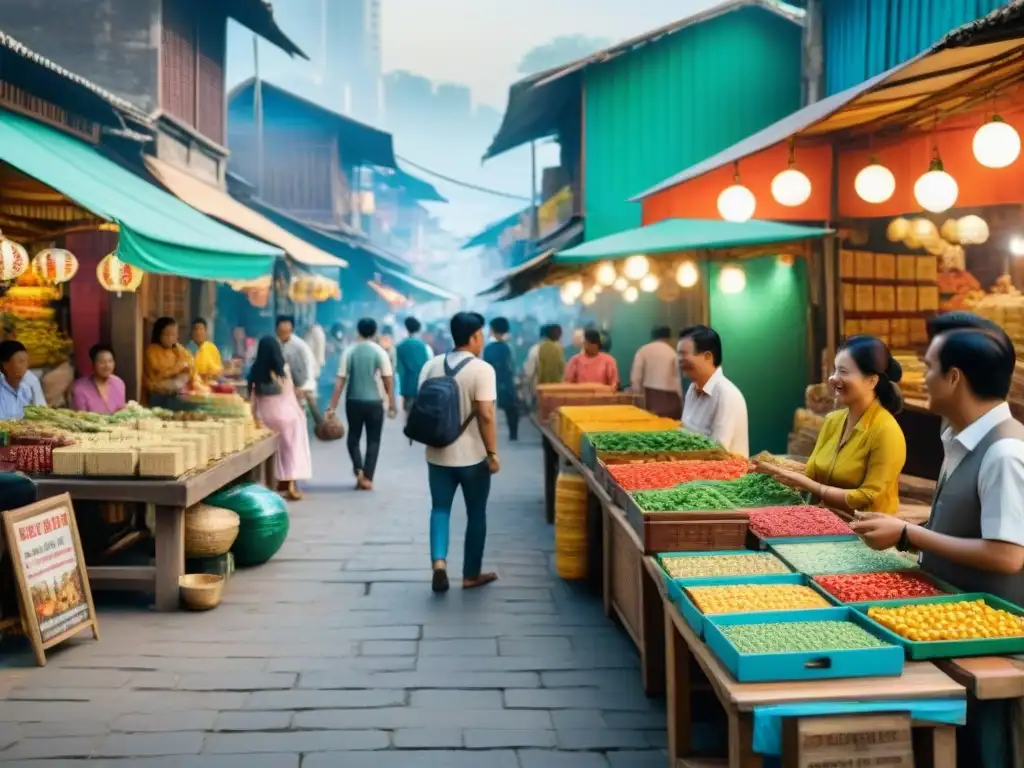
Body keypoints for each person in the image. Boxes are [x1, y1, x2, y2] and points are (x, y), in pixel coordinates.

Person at [851, 313, 1024, 768]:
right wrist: (908, 538)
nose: (920, 379)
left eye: (928, 367)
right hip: (953, 623)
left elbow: (1008, 556)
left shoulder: (1004, 452)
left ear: (954, 377)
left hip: (991, 642)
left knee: (986, 748)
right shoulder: (962, 439)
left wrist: (908, 532)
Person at [758, 335, 907, 514]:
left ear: (871, 381)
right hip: (823, 523)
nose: (832, 378)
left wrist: (811, 486)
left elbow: (867, 497)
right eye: (834, 370)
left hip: (865, 535)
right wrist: (776, 471)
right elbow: (813, 473)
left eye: (843, 372)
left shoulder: (886, 431)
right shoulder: (832, 421)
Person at [419, 311, 499, 593]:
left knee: (440, 508)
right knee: (476, 513)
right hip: (473, 456)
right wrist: (492, 452)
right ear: (475, 336)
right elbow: (486, 415)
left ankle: (439, 564)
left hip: (437, 454)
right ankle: (470, 575)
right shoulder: (482, 370)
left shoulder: (431, 365)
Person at [327, 318, 396, 490]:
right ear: (374, 332)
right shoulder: (380, 352)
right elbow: (388, 379)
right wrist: (392, 403)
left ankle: (358, 470)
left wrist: (332, 406)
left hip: (353, 401)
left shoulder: (349, 352)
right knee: (374, 440)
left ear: (358, 331)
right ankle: (368, 477)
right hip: (375, 402)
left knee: (353, 438)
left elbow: (339, 383)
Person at [247, 336, 312, 501]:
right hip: (286, 417)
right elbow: (289, 396)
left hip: (265, 418)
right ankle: (290, 481)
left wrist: (254, 417)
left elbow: (253, 399)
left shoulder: (255, 370)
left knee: (274, 448)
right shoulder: (284, 370)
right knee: (293, 442)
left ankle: (274, 481)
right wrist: (299, 413)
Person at [678, 325, 749, 456]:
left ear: (707, 357)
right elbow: (683, 435)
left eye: (684, 355)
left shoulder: (726, 395)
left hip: (721, 475)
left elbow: (717, 454)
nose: (679, 360)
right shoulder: (692, 390)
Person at [631, 326, 683, 418]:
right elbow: (677, 379)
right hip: (673, 398)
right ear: (668, 338)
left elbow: (636, 378)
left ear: (652, 337)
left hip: (651, 397)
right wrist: (681, 401)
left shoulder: (643, 350)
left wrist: (637, 398)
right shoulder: (673, 353)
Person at [143, 317, 193, 408]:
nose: (170, 338)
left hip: (176, 393)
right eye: (167, 335)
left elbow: (190, 361)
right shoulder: (152, 350)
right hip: (159, 395)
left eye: (174, 335)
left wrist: (185, 368)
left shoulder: (177, 348)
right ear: (158, 334)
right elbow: (160, 373)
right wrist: (178, 368)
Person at [483, 317, 519, 441]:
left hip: (493, 381)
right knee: (511, 408)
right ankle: (513, 434)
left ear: (492, 330)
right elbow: (513, 365)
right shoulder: (510, 346)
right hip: (507, 381)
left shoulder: (488, 348)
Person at [276, 315, 319, 409]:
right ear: (277, 330)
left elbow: (311, 368)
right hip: (286, 392)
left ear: (291, 330)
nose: (283, 334)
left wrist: (303, 389)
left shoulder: (301, 347)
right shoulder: (276, 344)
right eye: (281, 332)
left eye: (286, 332)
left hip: (302, 392)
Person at [71, 344, 126, 414]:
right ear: (93, 364)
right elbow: (80, 418)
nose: (107, 366)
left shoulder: (119, 383)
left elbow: (122, 412)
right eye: (102, 362)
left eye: (110, 361)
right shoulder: (80, 388)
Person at [0, 340, 46, 419]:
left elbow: (43, 412)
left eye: (26, 361)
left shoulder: (31, 382)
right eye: (20, 362)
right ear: (5, 364)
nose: (25, 366)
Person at [396, 317, 432, 414]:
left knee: (409, 416)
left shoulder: (400, 346)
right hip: (423, 385)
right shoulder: (425, 346)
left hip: (406, 385)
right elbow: (430, 365)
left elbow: (396, 367)